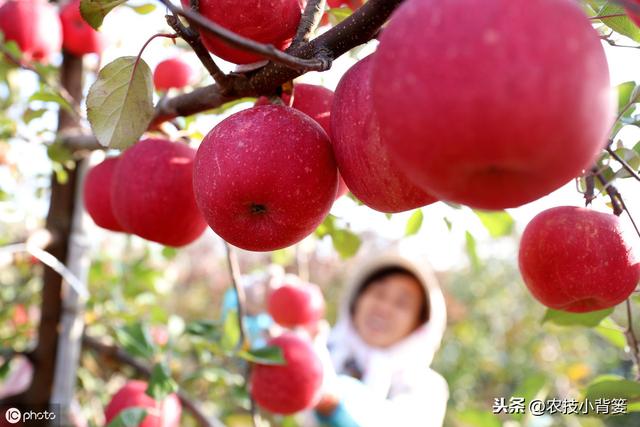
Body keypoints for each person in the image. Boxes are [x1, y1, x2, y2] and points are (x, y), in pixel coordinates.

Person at [305, 251, 449, 427]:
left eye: (401, 303)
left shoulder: (427, 387)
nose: (384, 308)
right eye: (379, 293)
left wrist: (336, 403)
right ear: (357, 299)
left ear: (419, 324)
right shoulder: (318, 350)